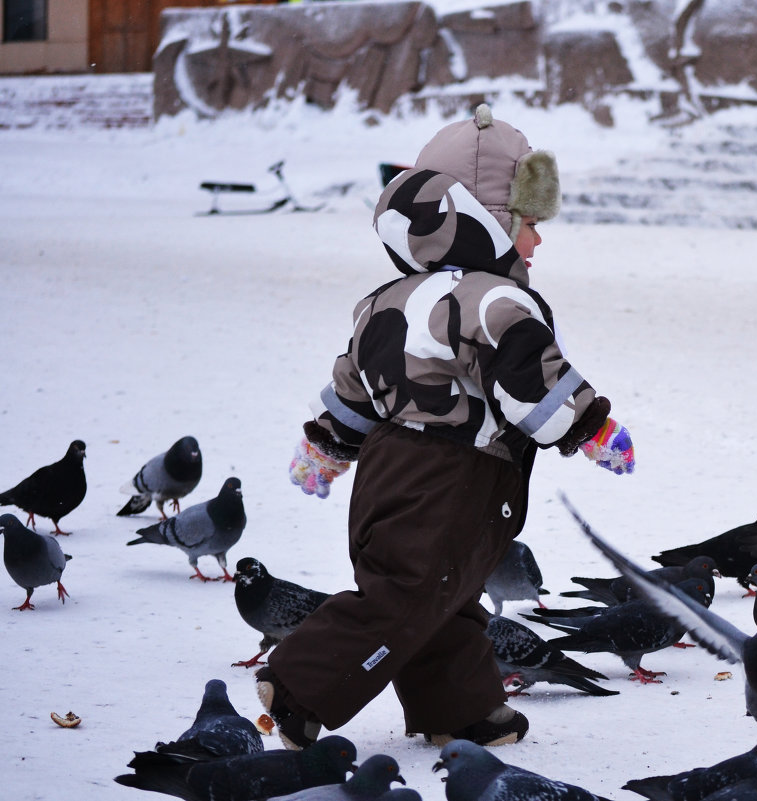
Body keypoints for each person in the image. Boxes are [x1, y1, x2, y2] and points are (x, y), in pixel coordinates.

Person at [257, 104, 635, 750]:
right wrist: (590, 427)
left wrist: (326, 446)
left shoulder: (386, 301)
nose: (537, 241)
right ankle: (296, 686)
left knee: (444, 603)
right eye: (529, 225)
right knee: (403, 601)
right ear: (487, 220)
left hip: (393, 475)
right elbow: (528, 377)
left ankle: (458, 707)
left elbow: (356, 386)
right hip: (445, 483)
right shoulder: (491, 301)